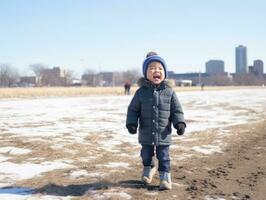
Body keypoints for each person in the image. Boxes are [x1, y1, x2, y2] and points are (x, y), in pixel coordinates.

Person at [126, 52, 186, 190]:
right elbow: (133, 109)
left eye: (160, 68)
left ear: (164, 73)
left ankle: (165, 177)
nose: (156, 71)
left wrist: (179, 123)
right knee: (146, 154)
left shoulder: (169, 92)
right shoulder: (141, 92)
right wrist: (131, 123)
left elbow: (176, 110)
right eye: (152, 68)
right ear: (145, 73)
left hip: (163, 133)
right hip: (146, 132)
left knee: (164, 156)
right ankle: (149, 167)